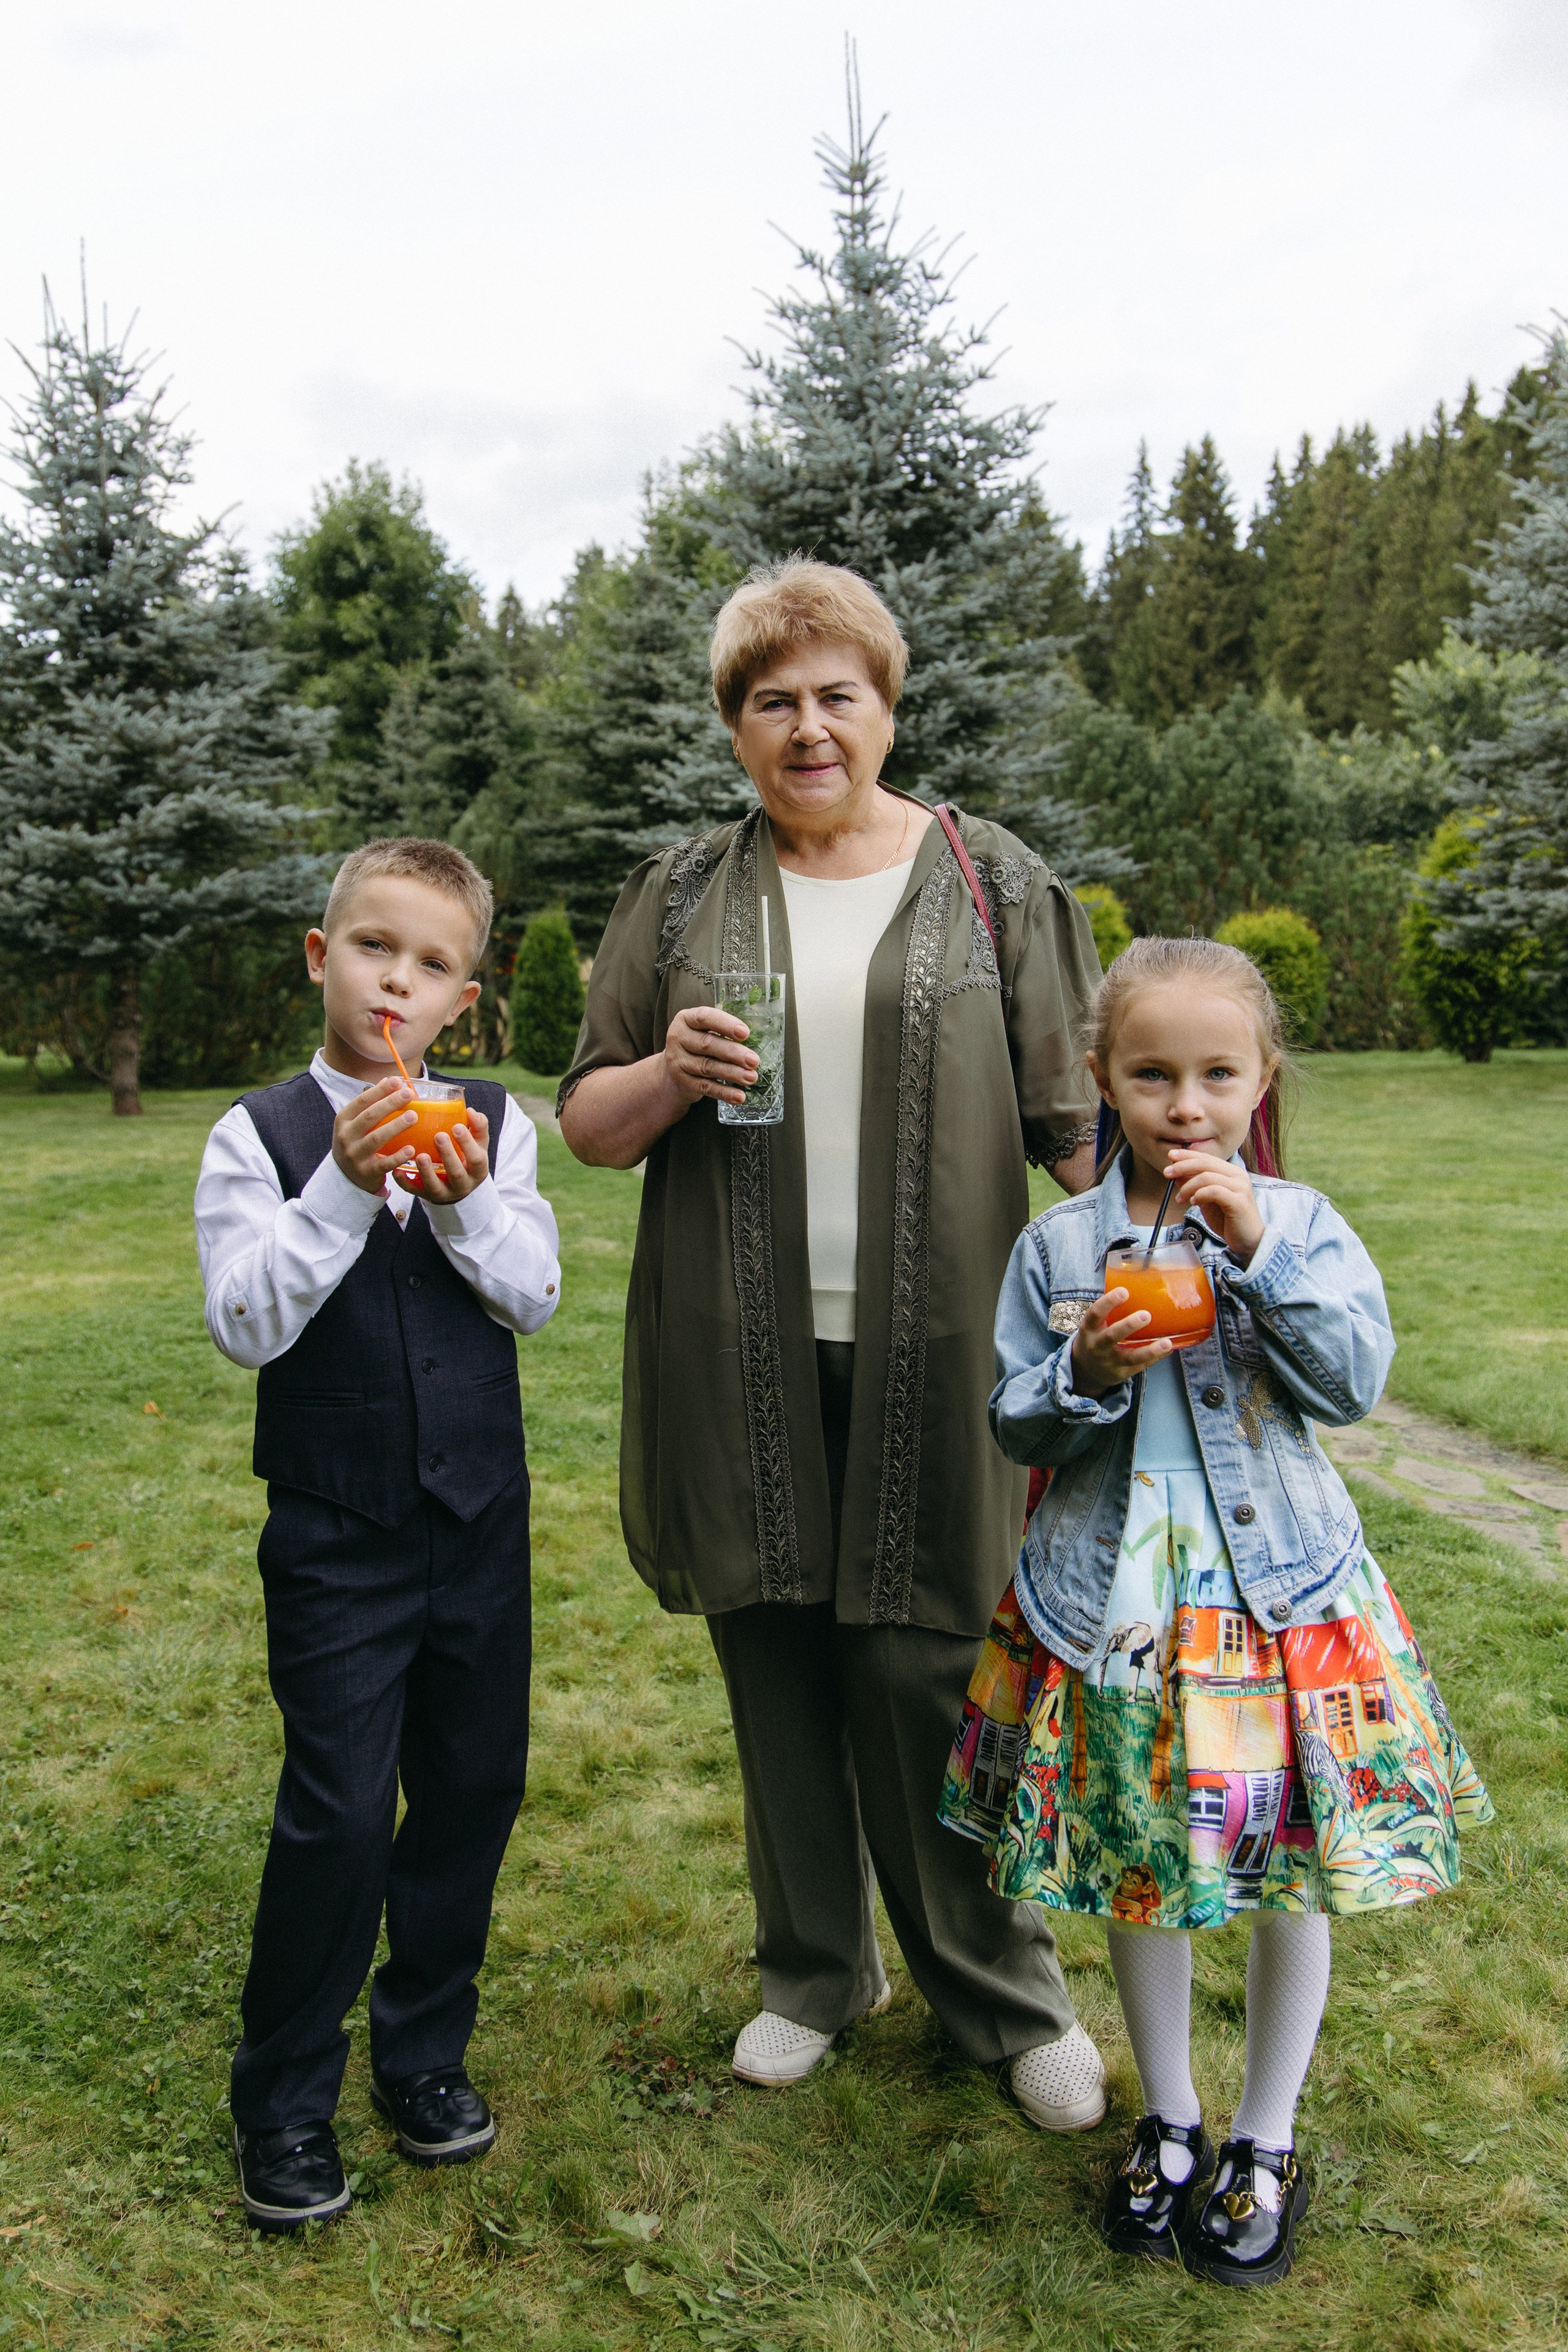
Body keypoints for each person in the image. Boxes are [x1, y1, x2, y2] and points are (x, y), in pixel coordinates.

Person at [559, 558, 1110, 2127]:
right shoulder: (677, 895)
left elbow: (1076, 1124)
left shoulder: (988, 877)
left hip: (939, 1347)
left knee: (928, 1662)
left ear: (885, 704)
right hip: (734, 1337)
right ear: (734, 723)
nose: (807, 728)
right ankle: (814, 1969)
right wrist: (667, 1072)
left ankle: (998, 1997)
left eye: (835, 695)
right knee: (775, 1654)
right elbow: (591, 1125)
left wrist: (1177, 1233)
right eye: (771, 700)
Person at [940, 935, 1491, 2286]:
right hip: (1112, 1596)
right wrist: (1081, 1361)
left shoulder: (1294, 1222)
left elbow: (1350, 1381)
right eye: (1150, 1074)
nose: (1183, 1105)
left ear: (1258, 1079)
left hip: (1273, 1597)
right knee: (1144, 1861)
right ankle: (1170, 2117)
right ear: (1101, 1079)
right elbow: (1015, 1420)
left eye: (1213, 1075)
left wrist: (1256, 1255)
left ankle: (1265, 2132)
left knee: (1281, 1869)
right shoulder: (1061, 1244)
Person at [195, 838, 562, 2232]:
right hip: (336, 1532)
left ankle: (423, 2053)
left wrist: (462, 1195)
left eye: (430, 964)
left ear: (462, 997)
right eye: (373, 949)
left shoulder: (495, 1124)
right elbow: (245, 1322)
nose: (396, 981)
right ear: (320, 956)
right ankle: (282, 2099)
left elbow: (530, 1296)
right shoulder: (260, 1134)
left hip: (476, 1521)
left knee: (470, 1790)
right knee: (340, 1811)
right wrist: (344, 1183)